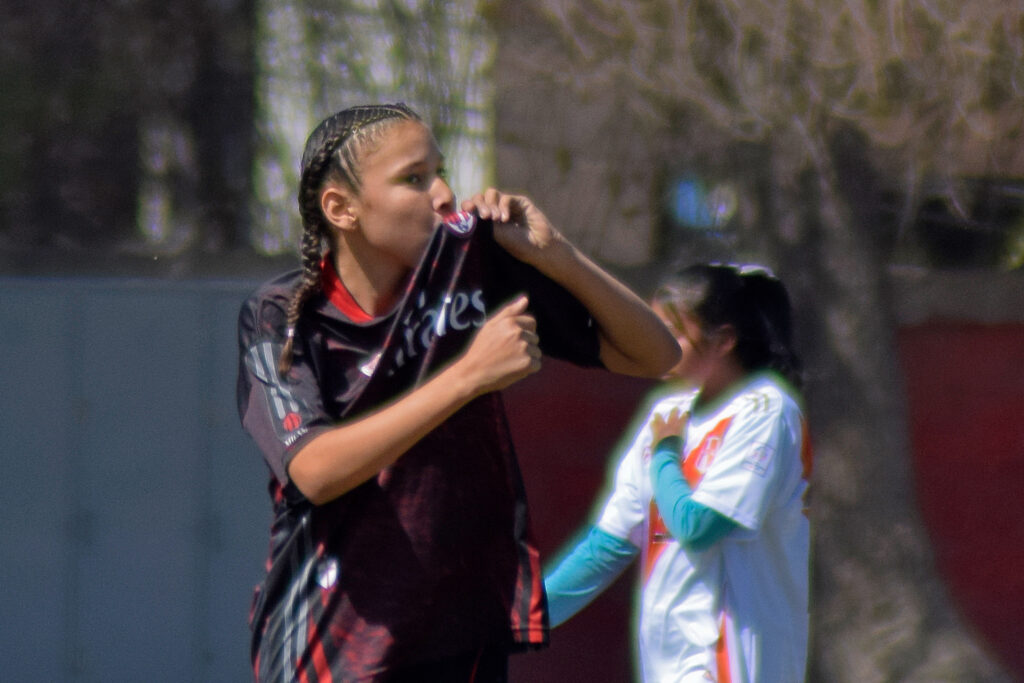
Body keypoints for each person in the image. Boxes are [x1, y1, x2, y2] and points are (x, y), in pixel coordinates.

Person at [236, 102, 680, 682]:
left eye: (441, 172)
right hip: (335, 643)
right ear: (340, 208)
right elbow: (315, 471)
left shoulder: (471, 270)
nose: (444, 194)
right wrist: (469, 374)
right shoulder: (282, 314)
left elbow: (656, 354)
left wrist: (558, 256)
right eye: (413, 180)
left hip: (462, 631)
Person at [544, 263, 812, 682]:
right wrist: (523, 618)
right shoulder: (667, 413)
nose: (655, 343)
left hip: (732, 664)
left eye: (673, 333)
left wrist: (666, 454)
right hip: (666, 665)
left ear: (722, 340)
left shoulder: (767, 411)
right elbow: (607, 546)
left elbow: (697, 526)